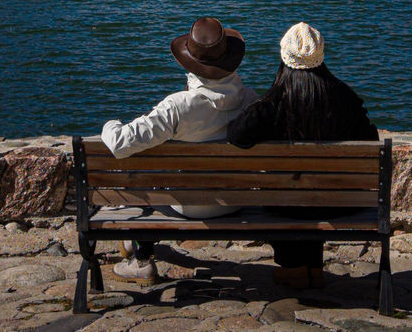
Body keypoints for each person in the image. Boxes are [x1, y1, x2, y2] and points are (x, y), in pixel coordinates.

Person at [101, 16, 257, 284]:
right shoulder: (251, 100)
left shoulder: (177, 107)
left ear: (191, 64)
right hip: (234, 202)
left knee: (147, 182)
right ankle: (134, 246)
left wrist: (110, 124)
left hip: (187, 205)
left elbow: (118, 143)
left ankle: (141, 258)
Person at [227, 21, 378, 289]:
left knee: (293, 189)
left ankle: (294, 267)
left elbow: (237, 136)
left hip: (285, 204)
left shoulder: (273, 103)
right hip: (342, 201)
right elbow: (370, 140)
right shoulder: (344, 97)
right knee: (316, 187)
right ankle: (312, 267)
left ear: (284, 57)